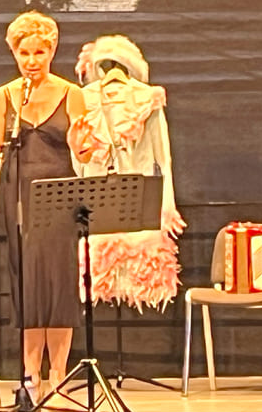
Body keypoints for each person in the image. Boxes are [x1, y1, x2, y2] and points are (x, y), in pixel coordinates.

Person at [0, 11, 94, 397]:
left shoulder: (72, 94)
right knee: (28, 287)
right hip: (18, 200)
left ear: (52, 51)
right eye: (24, 52)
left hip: (60, 199)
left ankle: (59, 376)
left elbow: (82, 150)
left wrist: (82, 140)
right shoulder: (4, 96)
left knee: (58, 287)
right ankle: (31, 377)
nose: (32, 60)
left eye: (40, 52)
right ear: (14, 53)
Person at [72, 35, 186, 310]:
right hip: (98, 201)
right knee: (101, 274)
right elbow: (79, 163)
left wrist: (166, 207)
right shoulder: (82, 100)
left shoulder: (149, 99)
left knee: (142, 271)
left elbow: (164, 158)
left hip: (139, 198)